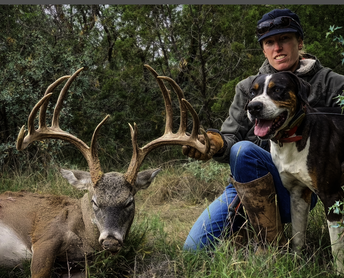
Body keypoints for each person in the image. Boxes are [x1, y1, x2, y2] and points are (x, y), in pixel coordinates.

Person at [183, 8, 344, 251]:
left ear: (299, 43)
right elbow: (229, 139)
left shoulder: (332, 83)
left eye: (284, 39)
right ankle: (256, 233)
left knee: (244, 150)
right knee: (194, 248)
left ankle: (272, 249)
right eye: (269, 42)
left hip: (305, 182)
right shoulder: (249, 87)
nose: (277, 48)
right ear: (263, 49)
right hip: (250, 183)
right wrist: (213, 142)